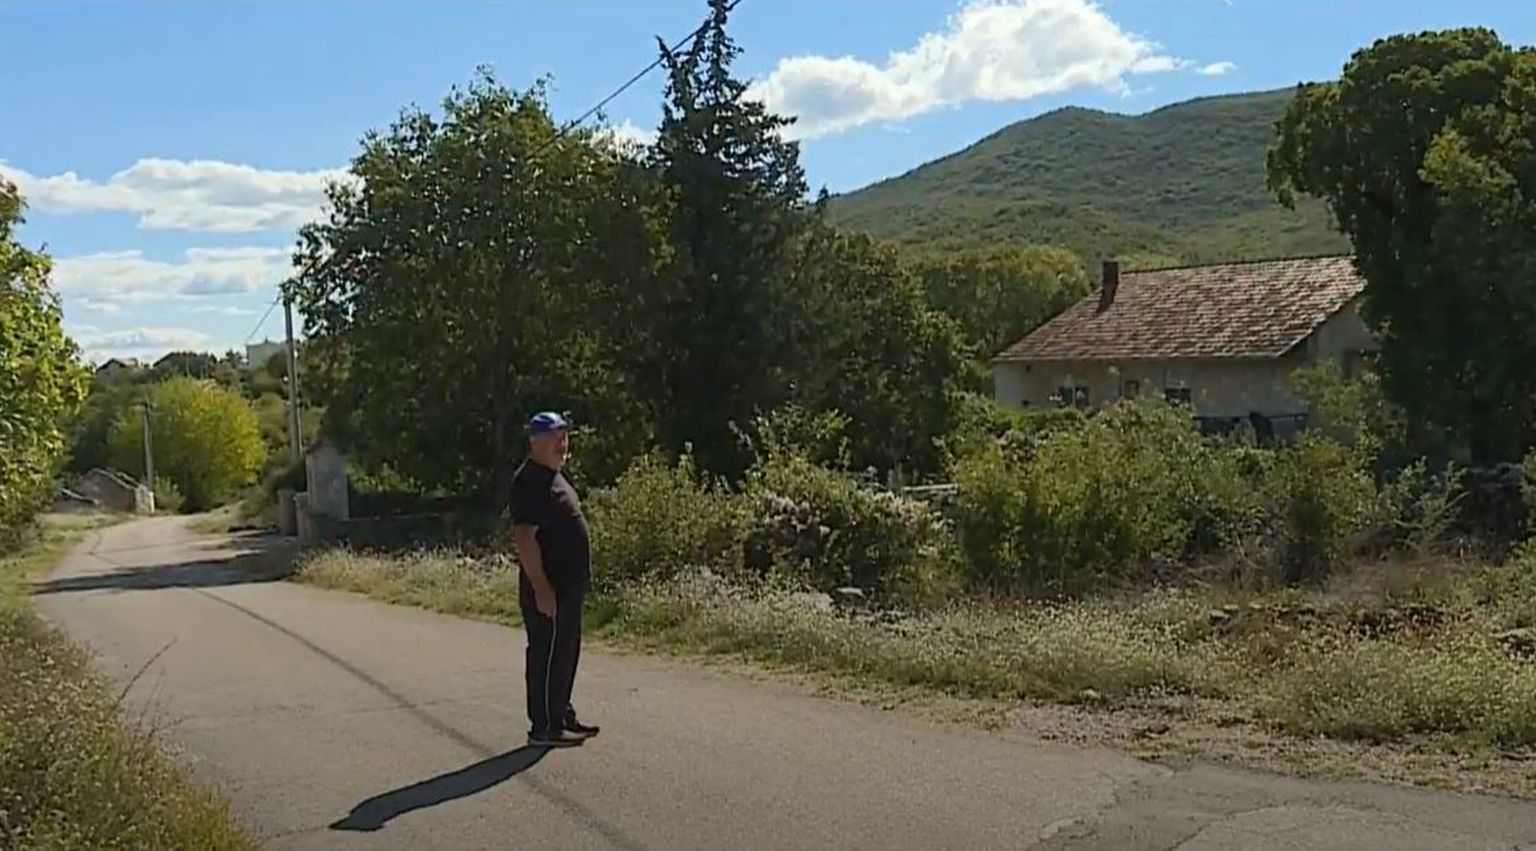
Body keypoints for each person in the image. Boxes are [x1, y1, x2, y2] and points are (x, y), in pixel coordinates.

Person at [509, 411, 599, 748]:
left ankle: (561, 713)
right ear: (535, 442)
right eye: (554, 438)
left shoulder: (553, 476)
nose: (562, 444)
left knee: (564, 652)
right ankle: (545, 727)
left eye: (564, 437)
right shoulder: (529, 481)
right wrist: (541, 588)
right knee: (547, 654)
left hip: (567, 586)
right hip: (550, 586)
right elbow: (524, 538)